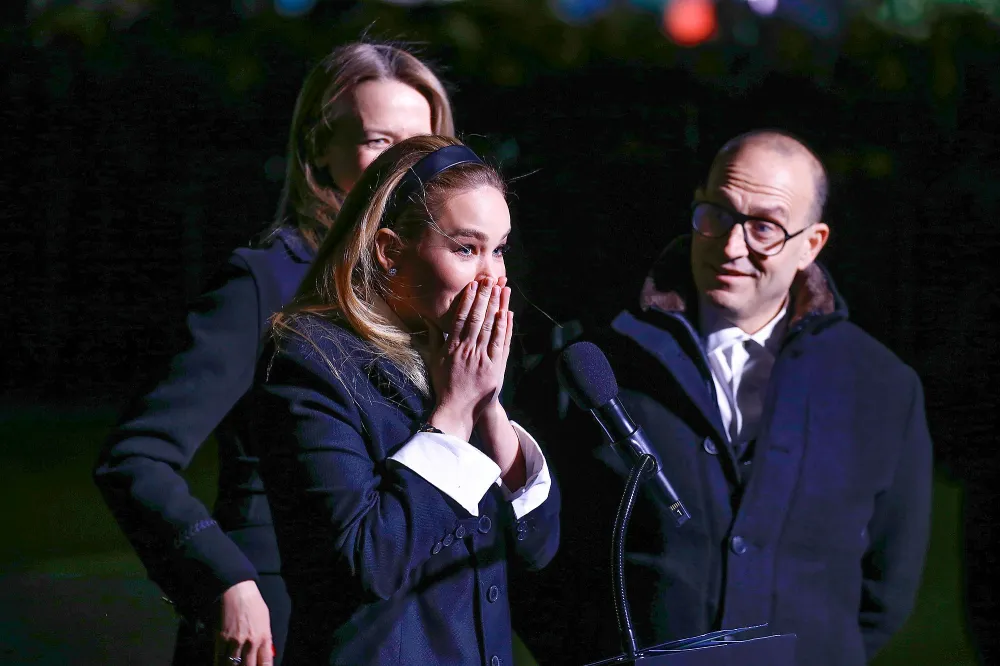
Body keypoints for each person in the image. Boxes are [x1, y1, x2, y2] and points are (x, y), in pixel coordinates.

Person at [93, 42, 455, 666]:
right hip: (277, 623)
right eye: (377, 141)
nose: (399, 167)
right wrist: (226, 581)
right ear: (319, 149)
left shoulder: (429, 291)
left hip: (397, 619)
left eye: (417, 146)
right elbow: (137, 458)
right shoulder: (264, 280)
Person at [514, 129, 933, 666]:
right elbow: (531, 552)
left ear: (812, 244)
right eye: (718, 213)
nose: (732, 246)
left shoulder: (882, 388)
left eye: (765, 227)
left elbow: (885, 594)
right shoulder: (598, 359)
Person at [250, 135, 559, 665]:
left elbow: (538, 547)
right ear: (391, 251)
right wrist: (455, 411)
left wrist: (487, 408)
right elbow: (366, 561)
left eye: (500, 249)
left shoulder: (456, 357)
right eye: (466, 248)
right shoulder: (312, 360)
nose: (493, 277)